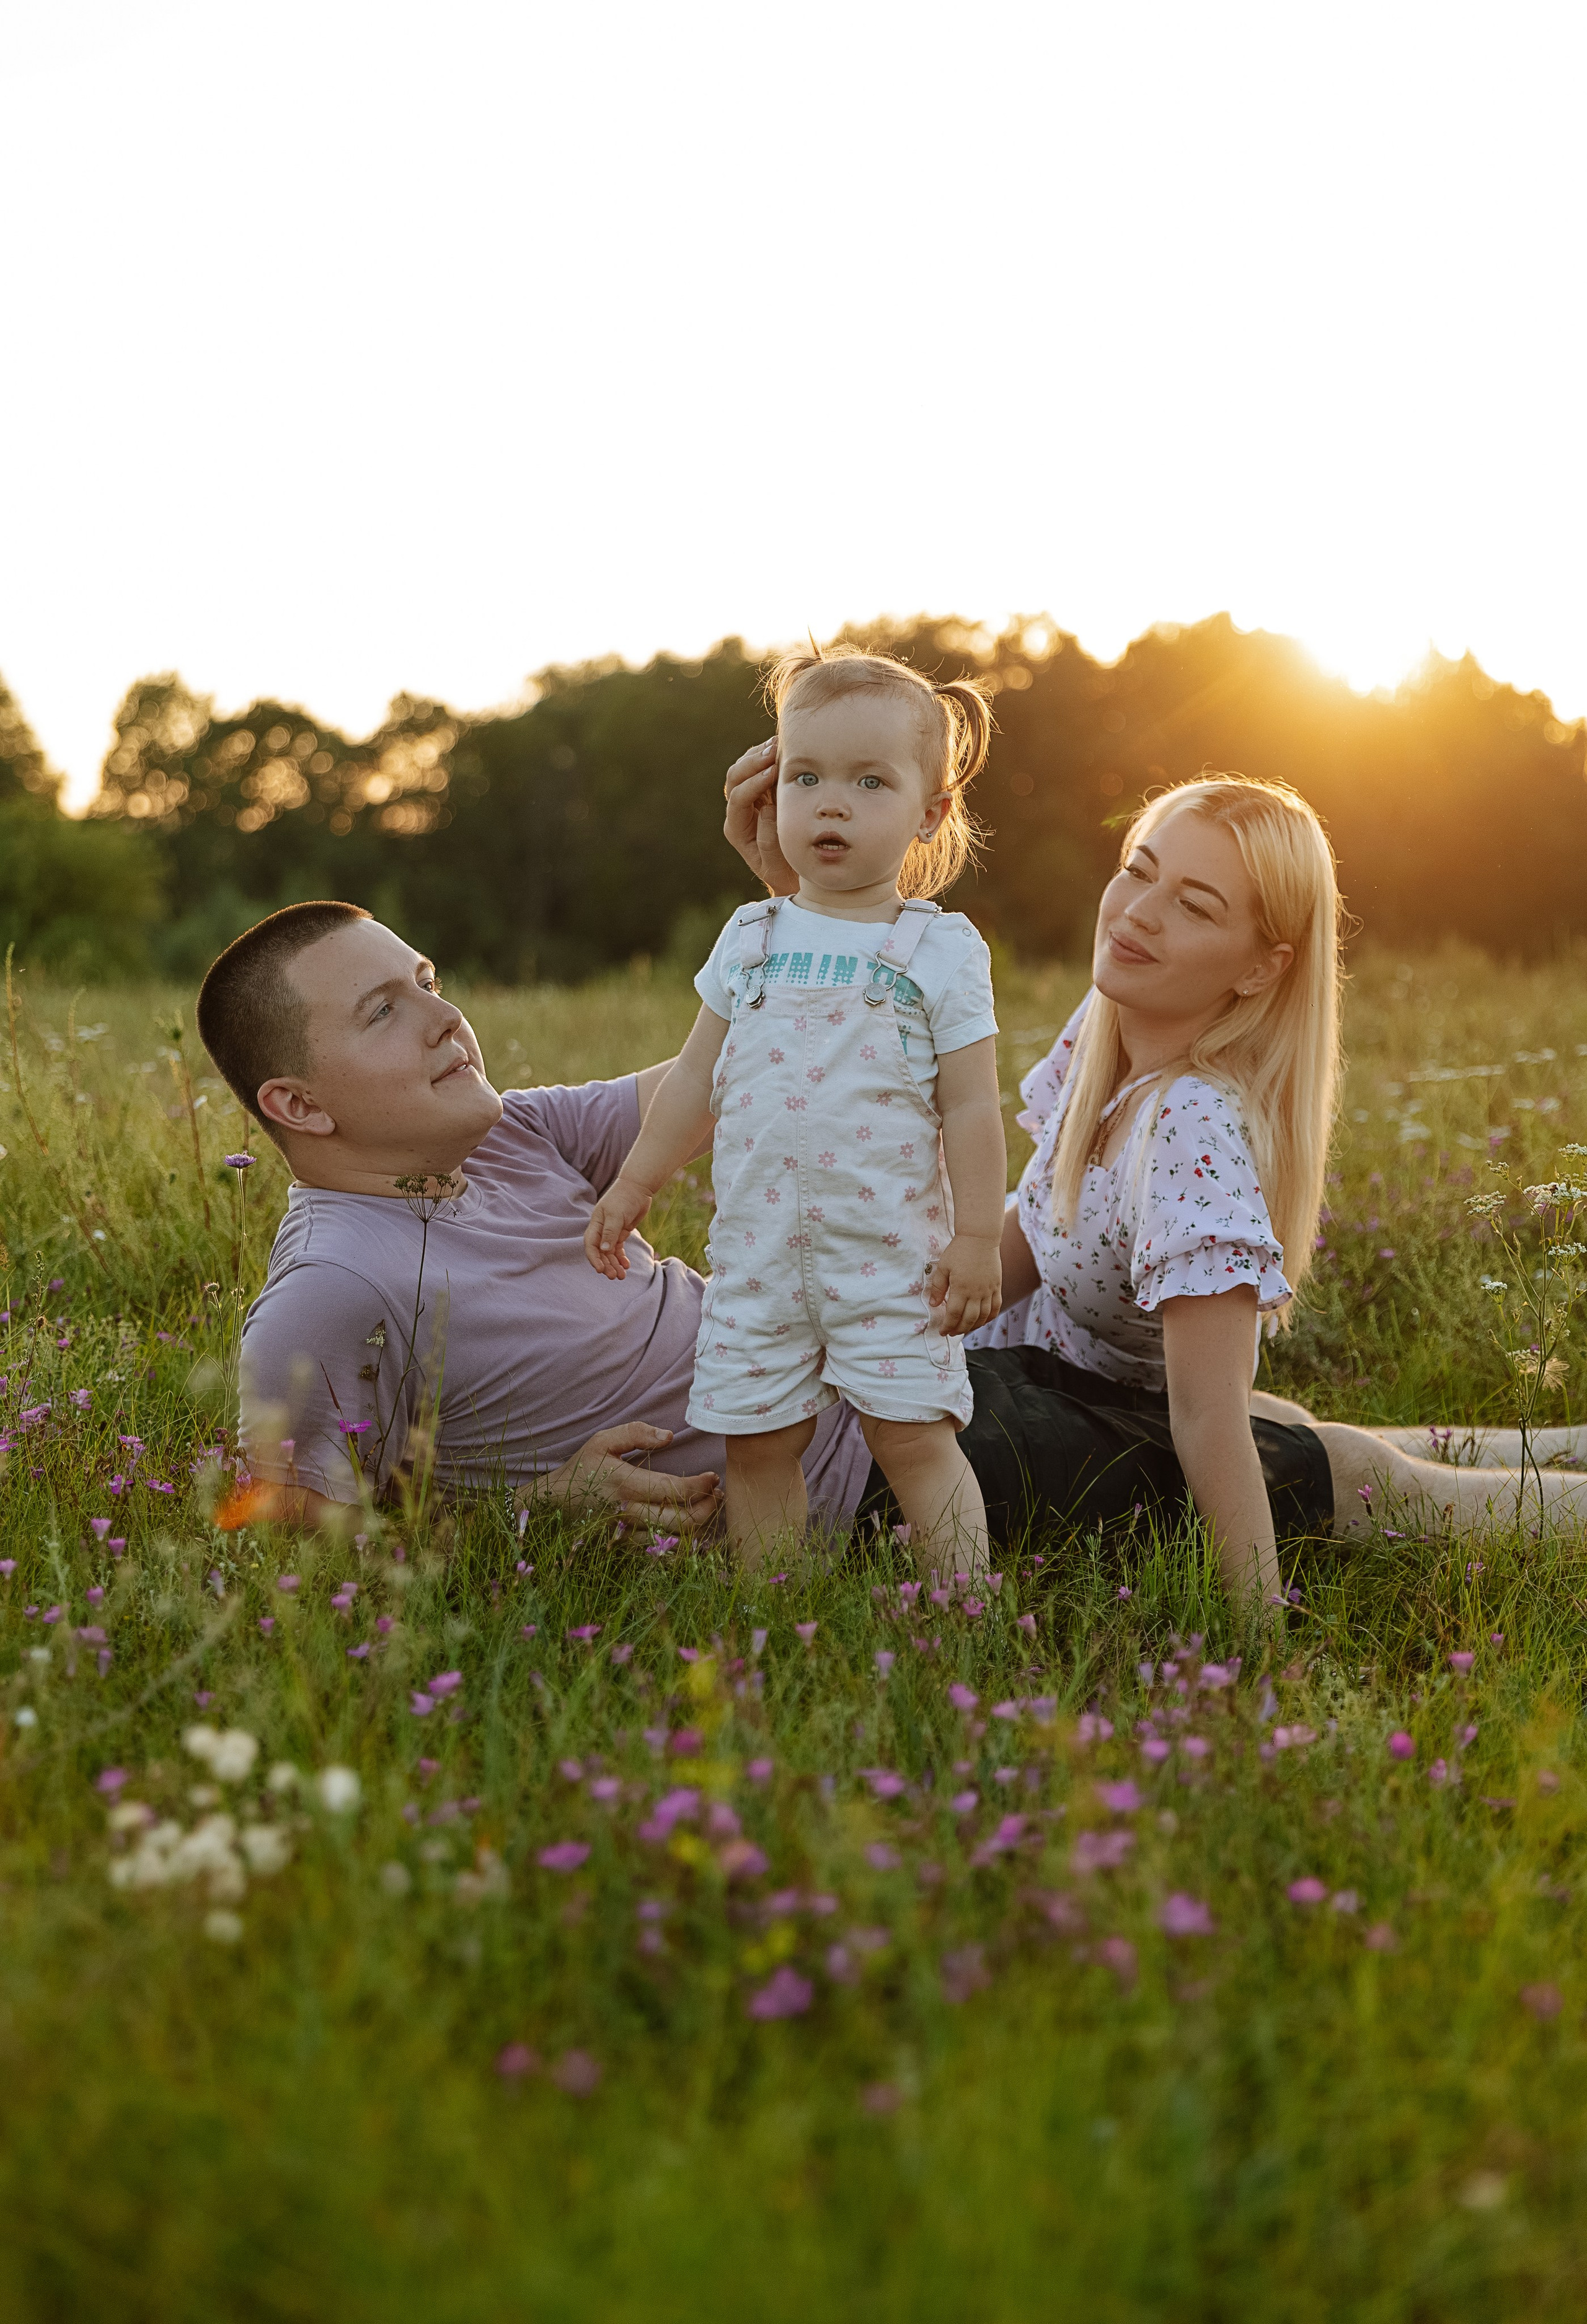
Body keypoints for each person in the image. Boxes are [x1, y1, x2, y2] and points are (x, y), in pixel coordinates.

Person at [725, 750, 1587, 1603]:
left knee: (1361, 1474)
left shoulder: (1188, 1125)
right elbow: (1044, 1218)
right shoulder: (1112, 1023)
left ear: (1261, 967)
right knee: (1312, 1429)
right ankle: (1565, 1443)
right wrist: (884, 1317)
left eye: (1194, 906)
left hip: (1126, 1417)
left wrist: (1256, 1634)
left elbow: (1208, 1420)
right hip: (1046, 1375)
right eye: (1139, 872)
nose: (1139, 914)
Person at [583, 647, 1006, 1573]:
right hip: (761, 1257)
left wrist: (979, 1237)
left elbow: (974, 1107)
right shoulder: (751, 937)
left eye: (870, 781)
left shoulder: (938, 950)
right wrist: (635, 1180)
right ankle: (771, 1607)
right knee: (758, 1445)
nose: (832, 805)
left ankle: (967, 1608)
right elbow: (696, 1078)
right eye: (806, 777)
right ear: (772, 790)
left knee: (914, 1441)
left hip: (888, 1258)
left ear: (931, 812)